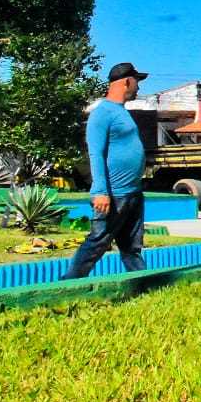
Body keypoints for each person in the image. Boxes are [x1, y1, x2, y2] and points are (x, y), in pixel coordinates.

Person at [63, 62, 149, 279]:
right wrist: (100, 191)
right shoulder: (102, 113)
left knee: (131, 247)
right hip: (114, 194)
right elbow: (96, 153)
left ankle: (141, 283)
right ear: (127, 81)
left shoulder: (121, 112)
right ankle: (69, 284)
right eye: (137, 82)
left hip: (132, 192)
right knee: (97, 243)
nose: (138, 87)